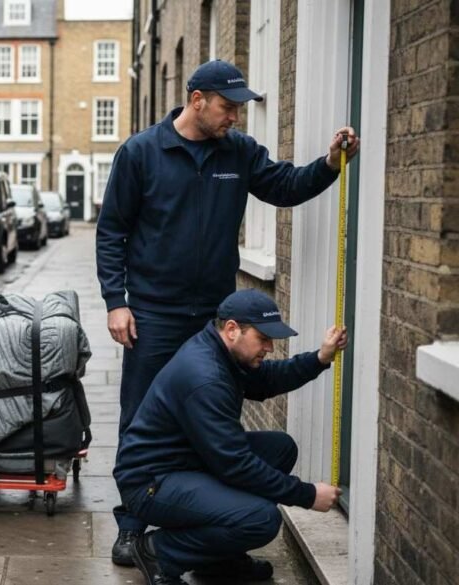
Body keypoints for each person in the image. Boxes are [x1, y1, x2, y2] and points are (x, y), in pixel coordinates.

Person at [96, 59, 360, 565]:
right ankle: (132, 526)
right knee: (139, 416)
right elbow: (112, 232)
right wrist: (116, 301)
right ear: (197, 100)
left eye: (239, 108)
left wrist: (329, 163)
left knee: (217, 416)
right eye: (228, 106)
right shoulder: (141, 152)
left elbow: (283, 186)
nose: (234, 117)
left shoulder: (237, 153)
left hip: (215, 317)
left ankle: (207, 515)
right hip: (153, 311)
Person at [114, 289, 346, 585]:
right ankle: (159, 552)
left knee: (280, 449)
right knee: (261, 519)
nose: (270, 348)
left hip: (186, 462)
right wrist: (308, 494)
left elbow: (269, 379)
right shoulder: (206, 377)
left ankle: (217, 560)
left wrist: (320, 358)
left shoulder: (222, 351)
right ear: (233, 329)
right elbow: (236, 465)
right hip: (151, 482)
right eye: (263, 339)